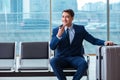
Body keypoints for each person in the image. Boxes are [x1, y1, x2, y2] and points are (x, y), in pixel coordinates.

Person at [50, 9, 114, 80]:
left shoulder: (80, 29)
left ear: (72, 18)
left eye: (67, 17)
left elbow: (93, 40)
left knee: (83, 64)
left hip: (76, 57)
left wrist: (105, 42)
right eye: (63, 17)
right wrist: (58, 35)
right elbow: (52, 47)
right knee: (53, 61)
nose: (64, 19)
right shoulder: (56, 30)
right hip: (61, 58)